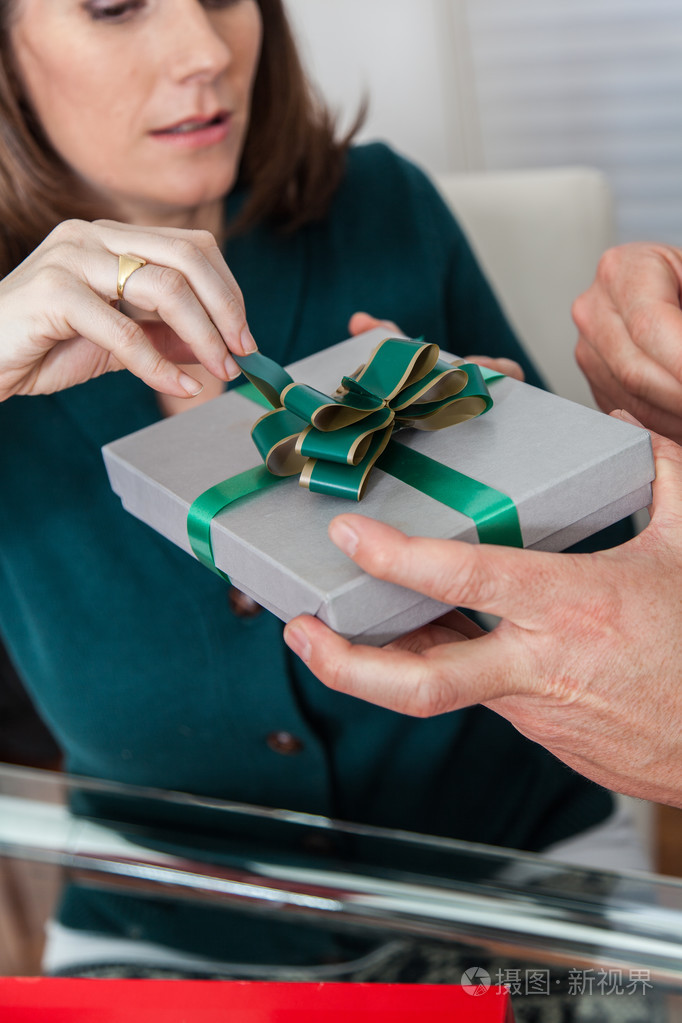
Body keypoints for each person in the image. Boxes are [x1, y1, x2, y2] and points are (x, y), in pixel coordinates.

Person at [0, 0, 643, 975]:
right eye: (116, 6)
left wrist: (520, 470)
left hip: (517, 877)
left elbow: (606, 583)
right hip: (163, 920)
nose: (206, 51)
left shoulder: (384, 205)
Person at [283, 245, 682, 811]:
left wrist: (514, 439)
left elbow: (609, 554)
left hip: (521, 817)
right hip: (168, 850)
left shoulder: (388, 215)